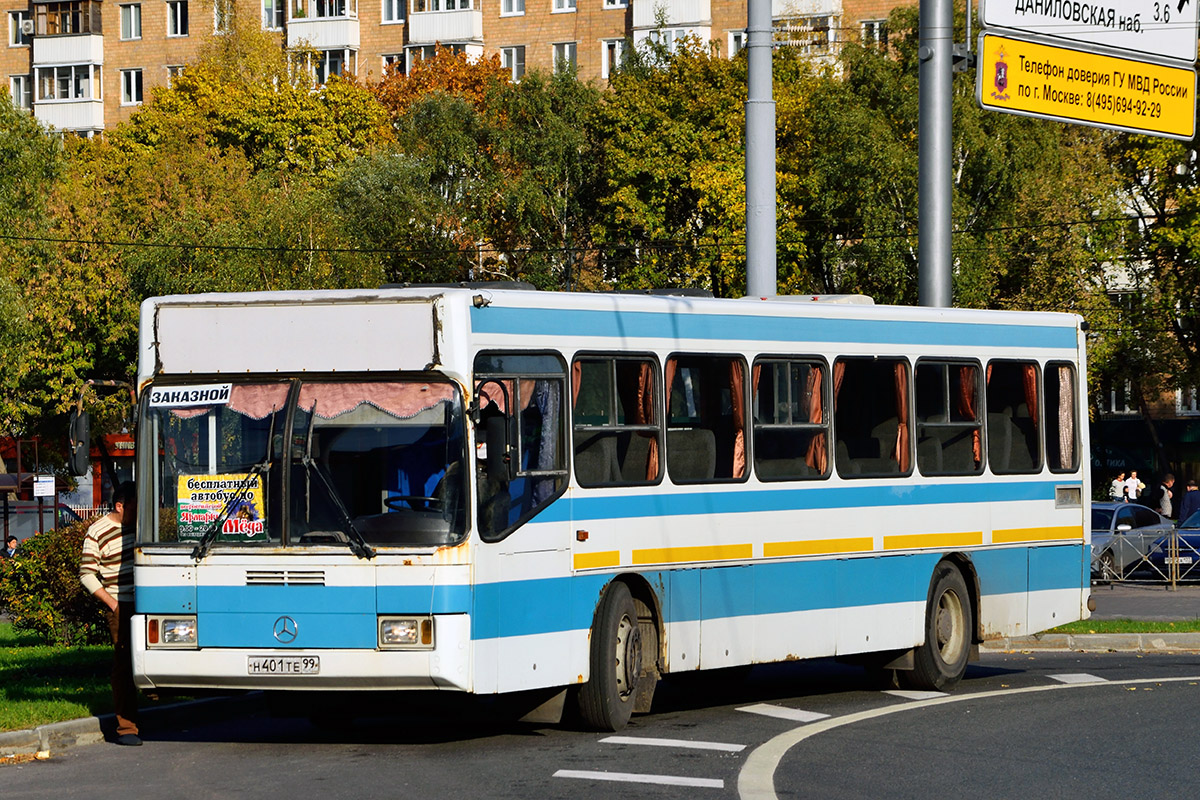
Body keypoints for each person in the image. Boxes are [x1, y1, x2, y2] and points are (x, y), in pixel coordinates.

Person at [79, 482, 141, 746]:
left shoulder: (143, 527)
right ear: (120, 505)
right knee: (123, 664)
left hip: (147, 601)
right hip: (120, 605)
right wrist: (113, 604)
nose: (141, 511)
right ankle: (126, 728)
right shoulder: (98, 531)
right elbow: (86, 574)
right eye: (136, 505)